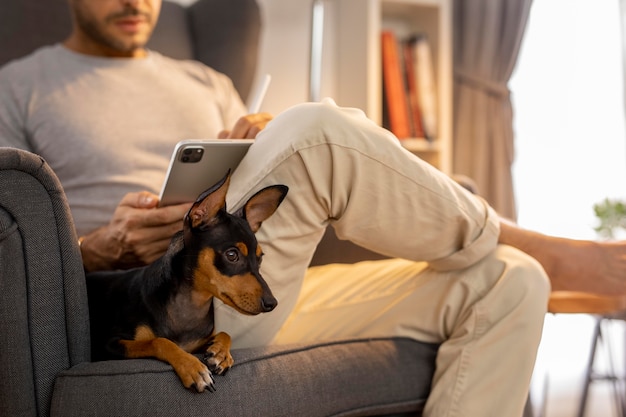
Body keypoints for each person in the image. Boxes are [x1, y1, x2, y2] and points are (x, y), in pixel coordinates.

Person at [1, 0, 626, 415]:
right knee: (317, 129)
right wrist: (95, 247)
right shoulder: (21, 85)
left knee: (511, 280)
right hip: (152, 301)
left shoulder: (203, 81)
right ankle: (558, 250)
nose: (135, 1)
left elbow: (246, 197)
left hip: (250, 282)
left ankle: (528, 254)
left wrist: (264, 144)